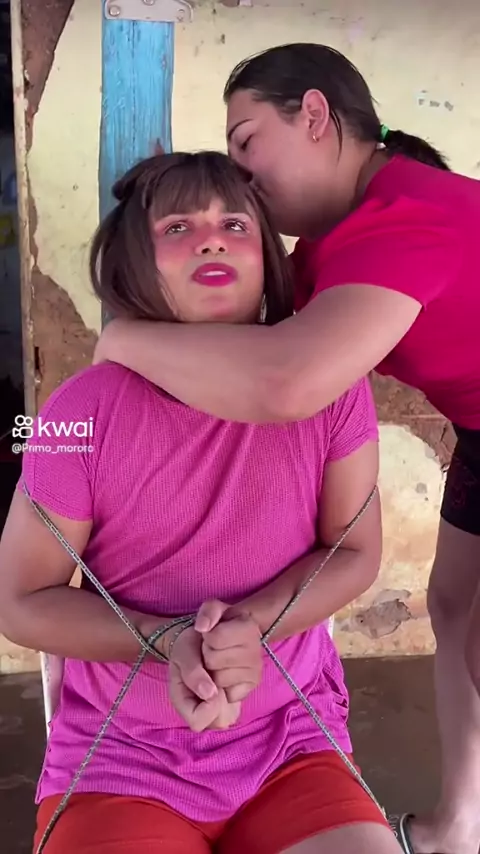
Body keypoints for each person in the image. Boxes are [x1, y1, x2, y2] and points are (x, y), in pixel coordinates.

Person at [91, 44, 480, 854]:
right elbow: (256, 336)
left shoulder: (413, 212)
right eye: (182, 229)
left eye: (245, 142)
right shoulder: (323, 253)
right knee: (454, 606)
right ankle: (460, 827)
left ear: (313, 115)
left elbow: (285, 379)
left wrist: (123, 338)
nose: (241, 175)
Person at [0, 151, 398, 854]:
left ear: (267, 256)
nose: (211, 241)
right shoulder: (72, 412)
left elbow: (356, 551)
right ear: (134, 266)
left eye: (234, 224)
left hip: (292, 742)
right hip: (120, 760)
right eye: (178, 227)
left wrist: (253, 625)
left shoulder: (330, 389)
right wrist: (165, 639)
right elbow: (21, 602)